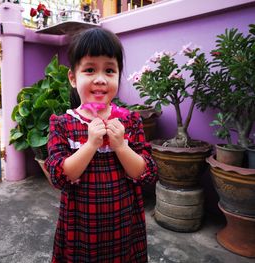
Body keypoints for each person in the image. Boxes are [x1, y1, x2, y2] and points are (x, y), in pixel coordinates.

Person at [45, 27, 158, 263]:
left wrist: (121, 146)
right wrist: (90, 145)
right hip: (81, 230)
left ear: (118, 75)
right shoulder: (63, 124)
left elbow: (146, 174)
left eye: (109, 70)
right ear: (73, 78)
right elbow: (59, 176)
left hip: (124, 228)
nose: (100, 78)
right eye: (89, 69)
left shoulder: (130, 121)